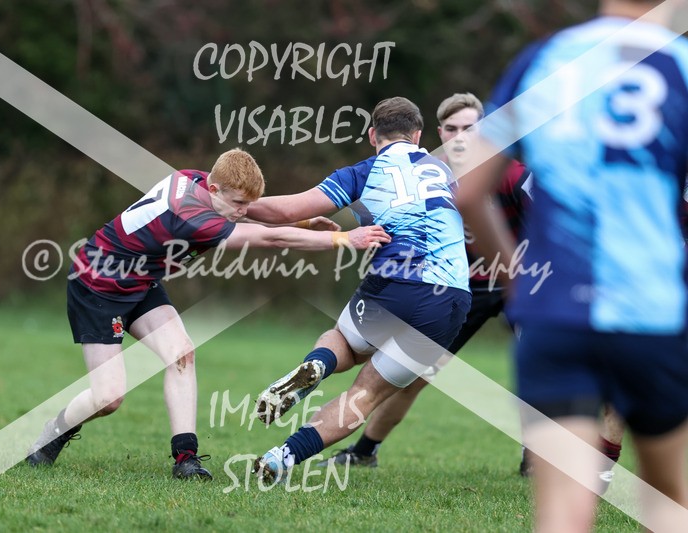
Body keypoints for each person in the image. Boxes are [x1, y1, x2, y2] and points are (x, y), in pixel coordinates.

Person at [456, 1, 688, 531]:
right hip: (649, 314)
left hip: (554, 312)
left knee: (562, 512)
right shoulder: (679, 65)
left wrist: (516, 279)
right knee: (669, 501)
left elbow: (468, 190)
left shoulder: (547, 58)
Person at [25, 148, 390, 480]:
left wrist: (304, 224)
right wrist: (344, 239)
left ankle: (186, 458)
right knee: (109, 398)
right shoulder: (192, 218)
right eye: (238, 203)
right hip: (97, 283)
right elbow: (268, 238)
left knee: (182, 354)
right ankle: (52, 433)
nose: (243, 210)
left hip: (140, 281)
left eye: (247, 203)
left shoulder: (201, 183)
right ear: (214, 189)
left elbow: (248, 215)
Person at [324, 93, 624, 488]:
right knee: (414, 374)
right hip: (459, 288)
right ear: (437, 133)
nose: (461, 136)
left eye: (470, 128)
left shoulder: (510, 173)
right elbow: (381, 217)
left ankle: (535, 458)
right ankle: (365, 450)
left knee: (539, 368)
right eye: (452, 128)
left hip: (521, 281)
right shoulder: (426, 173)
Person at [244, 96, 472, 482]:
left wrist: (228, 202)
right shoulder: (446, 172)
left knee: (345, 344)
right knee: (365, 397)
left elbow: (288, 211)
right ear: (418, 136)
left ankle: (318, 365)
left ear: (372, 135)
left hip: (398, 281)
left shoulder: (364, 172)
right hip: (451, 299)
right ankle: (281, 458)